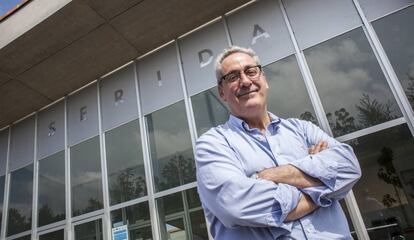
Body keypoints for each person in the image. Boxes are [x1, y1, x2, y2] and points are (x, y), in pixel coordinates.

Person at [195, 46, 361, 239]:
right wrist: (323, 188)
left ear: (264, 79)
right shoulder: (212, 144)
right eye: (232, 76)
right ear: (222, 92)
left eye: (251, 71)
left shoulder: (302, 129)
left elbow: (350, 167)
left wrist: (266, 176)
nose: (246, 81)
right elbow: (236, 205)